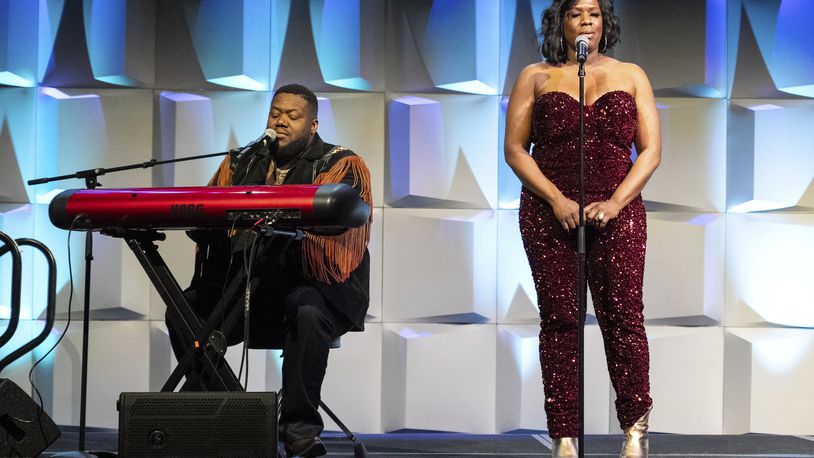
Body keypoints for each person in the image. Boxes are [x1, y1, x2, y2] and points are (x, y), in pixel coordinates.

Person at [167, 84, 372, 457]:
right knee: (184, 309)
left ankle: (299, 431)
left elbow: (342, 222)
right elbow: (210, 210)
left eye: (293, 116)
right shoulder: (242, 162)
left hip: (310, 286)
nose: (281, 121)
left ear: (312, 124)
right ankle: (228, 418)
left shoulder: (339, 163)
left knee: (307, 311)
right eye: (276, 113)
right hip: (245, 285)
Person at [504, 0, 661, 457]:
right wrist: (556, 199)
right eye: (576, 13)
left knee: (624, 320)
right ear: (561, 22)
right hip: (548, 213)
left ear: (604, 22)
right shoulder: (535, 75)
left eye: (594, 12)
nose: (586, 20)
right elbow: (516, 149)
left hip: (619, 211)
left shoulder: (632, 74)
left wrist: (615, 202)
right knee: (559, 322)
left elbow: (650, 151)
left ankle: (635, 431)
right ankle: (565, 436)